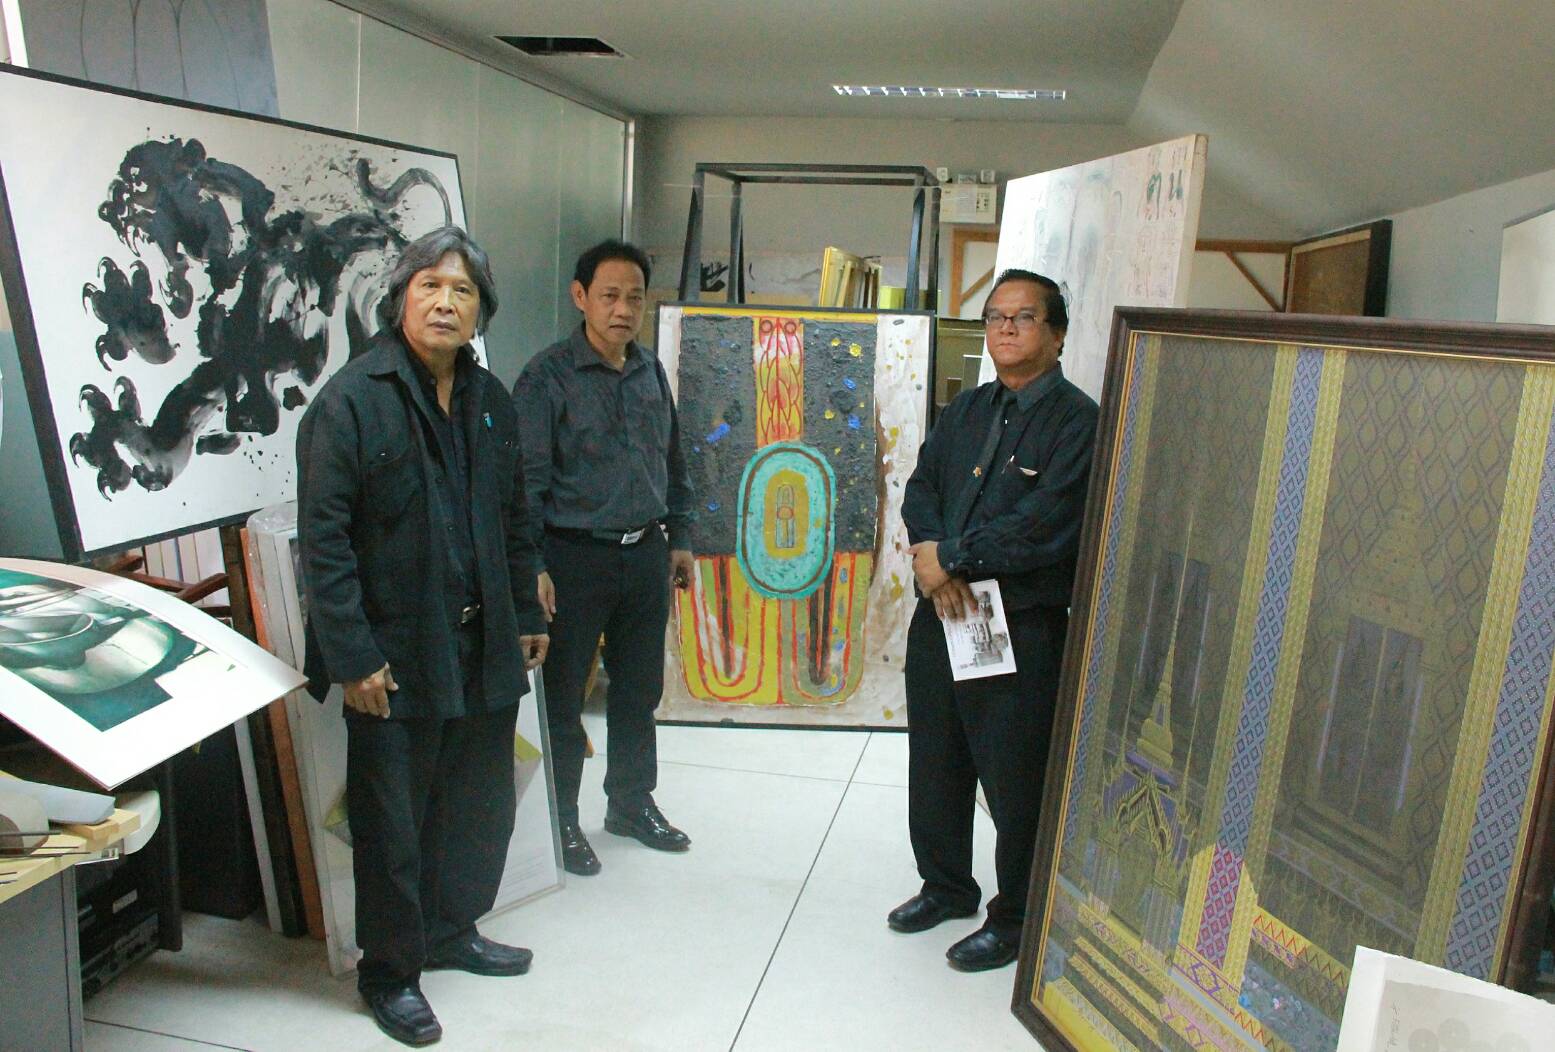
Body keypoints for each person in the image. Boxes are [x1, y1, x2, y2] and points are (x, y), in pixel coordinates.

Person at [297, 226, 549, 1046]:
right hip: (393, 656)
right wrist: (353, 656)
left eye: (462, 290)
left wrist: (527, 613)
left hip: (481, 643)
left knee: (476, 807)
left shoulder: (491, 400)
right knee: (392, 823)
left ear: (481, 310)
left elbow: (514, 519)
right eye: (429, 286)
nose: (445, 302)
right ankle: (390, 972)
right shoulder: (351, 401)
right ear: (400, 297)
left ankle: (450, 931)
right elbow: (323, 543)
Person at [889, 268, 1099, 972]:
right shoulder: (967, 409)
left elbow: (1046, 524)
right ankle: (946, 886)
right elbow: (921, 487)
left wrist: (949, 557)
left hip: (1021, 625)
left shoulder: (1078, 422)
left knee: (1014, 780)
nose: (1005, 328)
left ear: (1057, 334)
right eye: (995, 317)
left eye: (1023, 317)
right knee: (936, 760)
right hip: (942, 614)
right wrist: (932, 558)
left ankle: (1016, 917)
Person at [512, 239, 695, 877]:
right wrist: (532, 564)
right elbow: (526, 483)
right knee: (565, 696)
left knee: (639, 689)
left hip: (645, 553)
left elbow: (673, 459)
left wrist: (681, 536)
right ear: (580, 296)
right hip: (573, 558)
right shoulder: (546, 378)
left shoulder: (649, 371)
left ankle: (630, 803)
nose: (623, 310)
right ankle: (561, 817)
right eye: (610, 296)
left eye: (634, 298)